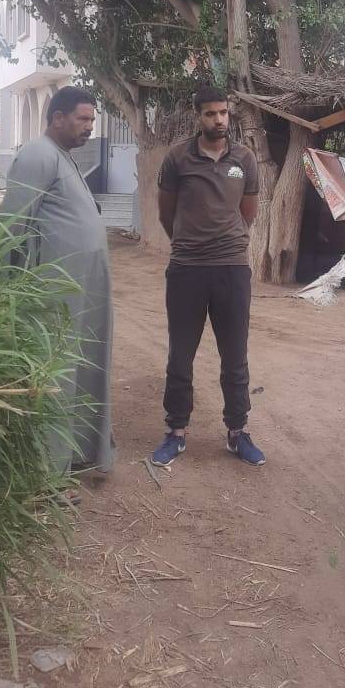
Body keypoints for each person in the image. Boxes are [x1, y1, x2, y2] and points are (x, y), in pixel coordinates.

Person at [0, 86, 114, 478]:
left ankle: (74, 452)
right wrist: (0, 288)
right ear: (58, 118)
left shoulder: (63, 156)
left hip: (81, 289)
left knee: (83, 366)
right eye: (83, 119)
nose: (90, 127)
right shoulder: (38, 154)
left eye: (93, 120)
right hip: (55, 292)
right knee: (57, 372)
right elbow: (11, 224)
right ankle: (47, 470)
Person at [150, 87, 266, 468]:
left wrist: (227, 242)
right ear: (197, 116)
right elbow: (166, 213)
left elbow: (248, 213)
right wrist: (188, 243)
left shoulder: (244, 159)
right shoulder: (177, 158)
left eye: (224, 113)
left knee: (235, 355)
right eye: (211, 113)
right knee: (180, 355)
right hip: (186, 269)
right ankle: (176, 431)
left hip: (232, 269)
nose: (219, 120)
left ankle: (237, 431)